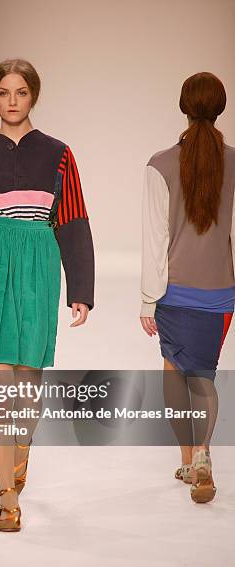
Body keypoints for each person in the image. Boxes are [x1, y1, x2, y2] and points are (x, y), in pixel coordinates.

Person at [0, 58, 95, 531]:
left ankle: (18, 454)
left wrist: (81, 289)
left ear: (33, 96)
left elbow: (73, 220)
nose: (12, 101)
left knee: (26, 389)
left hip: (35, 269)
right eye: (4, 92)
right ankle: (7, 496)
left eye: (20, 92)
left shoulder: (59, 154)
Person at [140, 72, 235, 503]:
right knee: (204, 376)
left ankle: (190, 456)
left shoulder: (159, 164)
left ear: (183, 105)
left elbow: (154, 238)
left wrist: (147, 298)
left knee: (174, 377)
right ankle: (200, 455)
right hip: (219, 290)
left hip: (175, 291)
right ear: (221, 106)